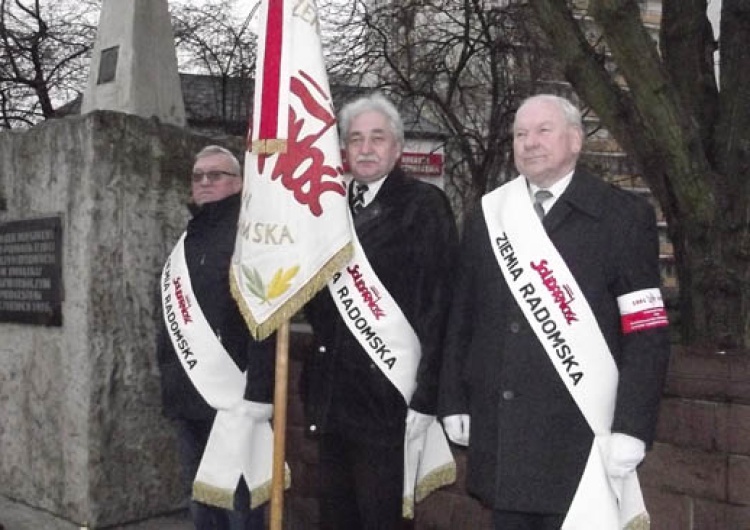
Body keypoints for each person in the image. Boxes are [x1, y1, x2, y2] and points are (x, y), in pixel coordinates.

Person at [439, 94, 671, 530]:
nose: (529, 143)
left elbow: (646, 333)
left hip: (579, 442)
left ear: (576, 140)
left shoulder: (622, 216)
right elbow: (462, 316)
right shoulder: (490, 215)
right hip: (504, 438)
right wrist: (452, 399)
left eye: (543, 130)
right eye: (520, 134)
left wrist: (633, 427)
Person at [302, 93, 459, 529]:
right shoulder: (327, 210)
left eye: (377, 138)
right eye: (355, 140)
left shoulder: (424, 206)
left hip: (389, 401)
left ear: (397, 147)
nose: (366, 149)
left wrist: (426, 398)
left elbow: (439, 307)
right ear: (344, 150)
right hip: (332, 400)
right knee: (335, 520)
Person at [156, 145, 275, 530]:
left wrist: (258, 391)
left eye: (216, 175)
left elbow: (266, 318)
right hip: (189, 397)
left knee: (240, 510)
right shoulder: (190, 235)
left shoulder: (251, 234)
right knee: (202, 508)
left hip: (233, 400)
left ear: (239, 182)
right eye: (198, 176)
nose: (205, 182)